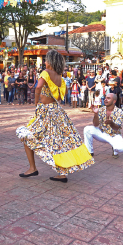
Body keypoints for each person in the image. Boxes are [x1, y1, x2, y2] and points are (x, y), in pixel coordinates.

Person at [16, 50, 94, 183]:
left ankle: (32, 168)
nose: (45, 62)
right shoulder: (59, 76)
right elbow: (62, 94)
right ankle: (62, 173)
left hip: (46, 111)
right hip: (57, 111)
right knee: (59, 141)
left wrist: (35, 102)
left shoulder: (45, 73)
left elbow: (38, 87)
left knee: (26, 135)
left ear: (50, 62)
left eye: (46, 60)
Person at [84, 93, 123, 159]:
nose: (105, 100)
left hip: (114, 135)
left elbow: (117, 127)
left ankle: (115, 148)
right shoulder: (101, 109)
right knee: (87, 129)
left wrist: (111, 123)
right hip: (102, 133)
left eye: (108, 98)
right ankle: (89, 151)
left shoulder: (120, 112)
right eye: (105, 98)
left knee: (121, 148)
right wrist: (96, 114)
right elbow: (95, 124)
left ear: (114, 101)